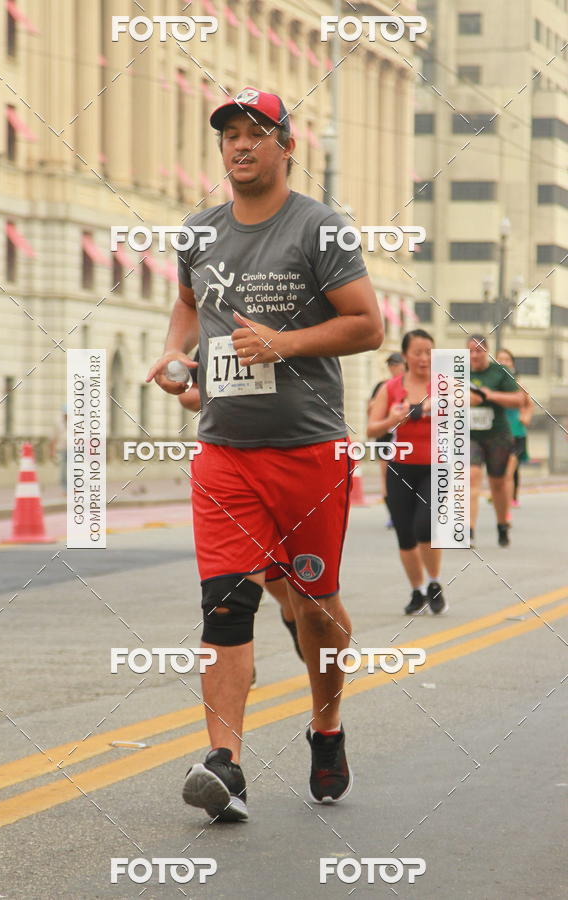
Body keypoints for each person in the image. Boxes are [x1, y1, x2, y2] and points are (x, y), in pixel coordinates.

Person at [147, 87, 383, 822]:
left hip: (309, 448)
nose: (240, 146)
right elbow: (188, 303)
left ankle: (326, 725)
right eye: (229, 136)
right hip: (224, 450)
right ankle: (226, 765)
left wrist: (282, 343)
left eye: (256, 133)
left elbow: (367, 325)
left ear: (288, 145)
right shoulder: (198, 232)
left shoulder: (322, 229)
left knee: (315, 605)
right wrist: (173, 353)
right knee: (226, 604)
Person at [177, 357, 304, 671]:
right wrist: (224, 394)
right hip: (229, 462)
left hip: (292, 459)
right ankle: (237, 647)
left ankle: (294, 613)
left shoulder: (288, 320)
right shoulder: (213, 328)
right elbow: (187, 392)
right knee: (232, 593)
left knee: (281, 569)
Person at [367, 329, 447, 615]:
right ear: (406, 355)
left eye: (429, 352)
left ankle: (435, 582)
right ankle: (418, 589)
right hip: (400, 467)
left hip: (435, 467)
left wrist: (431, 408)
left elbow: (463, 405)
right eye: (417, 352)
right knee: (405, 534)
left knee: (424, 527)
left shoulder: (445, 386)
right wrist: (393, 418)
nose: (424, 358)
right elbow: (372, 428)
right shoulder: (390, 389)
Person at [468, 335, 522, 547]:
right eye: (471, 351)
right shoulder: (459, 372)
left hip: (497, 435)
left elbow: (518, 400)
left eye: (479, 350)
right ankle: (468, 530)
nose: (475, 355)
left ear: (487, 351)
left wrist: (489, 396)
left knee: (497, 484)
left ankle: (502, 524)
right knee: (470, 477)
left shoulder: (499, 372)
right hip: (470, 435)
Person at [367, 352, 406, 527]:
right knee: (386, 476)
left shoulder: (409, 385)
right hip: (385, 435)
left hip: (404, 436)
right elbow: (371, 411)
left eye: (396, 364)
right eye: (391, 365)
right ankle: (393, 515)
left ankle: (407, 510)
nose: (393, 368)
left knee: (403, 474)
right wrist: (376, 405)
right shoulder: (382, 386)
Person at [495, 349, 534, 513]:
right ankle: (502, 496)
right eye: (500, 360)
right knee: (501, 470)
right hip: (497, 434)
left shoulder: (518, 385)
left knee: (510, 471)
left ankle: (509, 502)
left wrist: (525, 417)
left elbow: (529, 404)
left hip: (517, 434)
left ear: (512, 364)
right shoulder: (492, 386)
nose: (503, 363)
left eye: (507, 360)